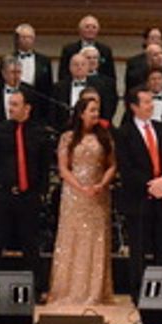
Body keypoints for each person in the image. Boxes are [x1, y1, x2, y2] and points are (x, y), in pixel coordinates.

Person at [47, 96, 117, 306]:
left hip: (98, 194)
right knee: (72, 239)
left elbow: (112, 165)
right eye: (92, 110)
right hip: (74, 195)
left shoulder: (105, 137)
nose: (96, 114)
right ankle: (68, 289)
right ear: (81, 113)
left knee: (95, 240)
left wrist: (101, 184)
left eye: (97, 110)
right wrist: (80, 187)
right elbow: (63, 168)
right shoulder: (68, 138)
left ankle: (94, 291)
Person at [115, 87, 162, 300]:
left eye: (151, 101)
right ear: (134, 107)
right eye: (146, 102)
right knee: (139, 250)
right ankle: (139, 293)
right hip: (138, 199)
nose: (151, 105)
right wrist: (149, 185)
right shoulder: (124, 133)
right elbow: (126, 167)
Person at [0, 90, 53, 294]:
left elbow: (44, 165)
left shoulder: (39, 132)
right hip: (4, 194)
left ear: (27, 108)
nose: (11, 109)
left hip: (29, 195)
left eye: (15, 105)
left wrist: (41, 191)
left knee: (30, 242)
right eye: (10, 104)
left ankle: (35, 289)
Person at [58, 14, 117, 95]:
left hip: (100, 91)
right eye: (87, 27)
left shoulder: (105, 50)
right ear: (80, 29)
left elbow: (111, 75)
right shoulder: (69, 50)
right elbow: (63, 74)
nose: (90, 29)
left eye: (94, 27)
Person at [54, 51, 114, 131]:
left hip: (94, 130)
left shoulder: (100, 86)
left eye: (83, 64)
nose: (79, 67)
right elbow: (54, 112)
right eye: (76, 65)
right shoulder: (59, 87)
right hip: (65, 129)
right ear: (70, 67)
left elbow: (106, 110)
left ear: (88, 67)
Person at [10, 23, 53, 103]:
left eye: (30, 37)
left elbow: (49, 87)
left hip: (39, 103)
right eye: (24, 37)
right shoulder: (9, 59)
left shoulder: (44, 60)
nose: (27, 40)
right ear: (17, 39)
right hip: (15, 99)